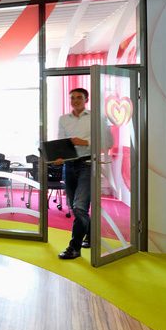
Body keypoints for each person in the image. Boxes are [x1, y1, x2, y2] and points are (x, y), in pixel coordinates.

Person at [55, 87, 109, 261]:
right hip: (69, 165)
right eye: (72, 98)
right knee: (75, 207)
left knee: (79, 207)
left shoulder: (96, 118)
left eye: (79, 97)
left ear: (86, 100)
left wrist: (86, 142)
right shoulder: (63, 119)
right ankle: (91, 236)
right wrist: (58, 156)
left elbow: (108, 141)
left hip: (87, 164)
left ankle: (74, 247)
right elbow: (61, 142)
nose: (75, 100)